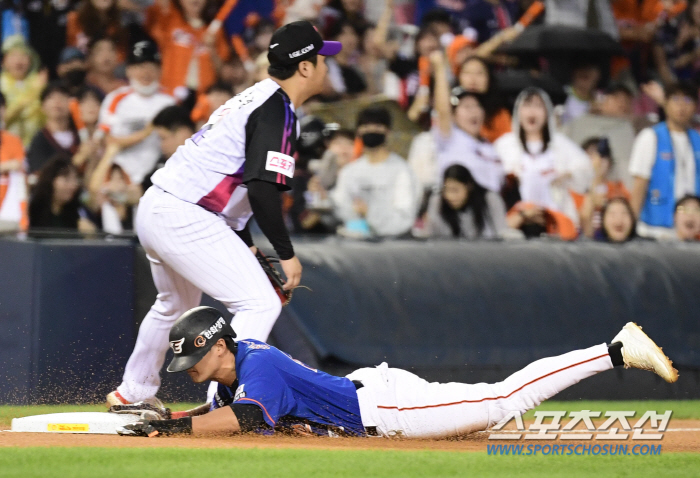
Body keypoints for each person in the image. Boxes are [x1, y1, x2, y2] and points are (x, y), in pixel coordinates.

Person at [105, 21, 342, 407]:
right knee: (259, 302)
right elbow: (262, 189)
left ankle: (133, 393)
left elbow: (236, 188)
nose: (327, 65)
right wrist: (286, 253)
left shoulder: (253, 98)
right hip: (186, 213)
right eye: (322, 58)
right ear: (304, 67)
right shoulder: (278, 109)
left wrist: (246, 245)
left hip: (161, 205)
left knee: (172, 305)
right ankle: (227, 402)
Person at [116, 305, 678, 438]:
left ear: (217, 347)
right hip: (372, 399)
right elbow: (219, 412)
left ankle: (614, 350)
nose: (188, 369)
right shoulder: (234, 370)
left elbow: (238, 419)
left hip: (387, 408)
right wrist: (170, 414)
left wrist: (168, 428)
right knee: (488, 427)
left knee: (504, 401)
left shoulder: (254, 363)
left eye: (193, 358)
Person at [495, 87, 593, 226]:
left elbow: (586, 169)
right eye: (527, 105)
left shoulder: (561, 144)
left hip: (554, 219)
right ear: (518, 111)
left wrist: (568, 175)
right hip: (516, 219)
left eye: (538, 106)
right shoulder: (504, 144)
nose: (532, 111)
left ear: (547, 112)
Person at [331, 106, 418, 238]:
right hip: (354, 246)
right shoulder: (349, 172)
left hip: (392, 246)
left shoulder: (401, 170)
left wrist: (369, 212)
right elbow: (341, 210)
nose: (371, 130)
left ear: (387, 131)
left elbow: (404, 220)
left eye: (377, 126)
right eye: (366, 126)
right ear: (358, 132)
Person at [98, 40, 175, 185]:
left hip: (158, 180)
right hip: (120, 179)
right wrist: (145, 133)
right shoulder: (115, 99)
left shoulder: (169, 102)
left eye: (151, 67)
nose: (146, 73)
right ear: (128, 70)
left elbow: (178, 142)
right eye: (140, 67)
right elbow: (106, 141)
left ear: (160, 70)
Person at [629, 82, 700, 238]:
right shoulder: (650, 137)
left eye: (687, 101)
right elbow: (639, 187)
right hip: (654, 231)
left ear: (695, 106)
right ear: (665, 104)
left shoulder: (697, 140)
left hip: (691, 233)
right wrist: (631, 229)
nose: (681, 106)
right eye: (676, 100)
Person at [431, 51, 505, 193]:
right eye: (467, 107)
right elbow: (442, 111)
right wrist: (440, 69)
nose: (474, 111)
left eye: (477, 106)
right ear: (454, 116)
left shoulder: (490, 148)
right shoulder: (450, 138)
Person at [145, 0, 231, 98]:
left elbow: (222, 71)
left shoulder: (215, 31)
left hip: (203, 95)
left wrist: (211, 49)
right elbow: (157, 11)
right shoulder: (170, 22)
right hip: (172, 92)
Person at [426, 164, 509, 239]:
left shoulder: (490, 198)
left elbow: (502, 232)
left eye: (455, 190)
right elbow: (429, 233)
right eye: (446, 190)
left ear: (469, 186)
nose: (450, 196)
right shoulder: (437, 200)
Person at [578, 137, 630, 238]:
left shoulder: (618, 189)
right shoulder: (574, 191)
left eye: (602, 156)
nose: (598, 160)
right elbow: (583, 220)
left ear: (609, 161)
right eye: (590, 155)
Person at [28, 154, 95, 232]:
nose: (72, 185)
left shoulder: (78, 212)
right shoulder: (33, 211)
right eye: (66, 179)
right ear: (51, 180)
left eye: (75, 179)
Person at [1, 35, 46, 147]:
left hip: (36, 145)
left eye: (23, 56)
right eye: (13, 56)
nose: (19, 61)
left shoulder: (37, 81)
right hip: (7, 147)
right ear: (3, 61)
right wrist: (34, 92)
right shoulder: (1, 84)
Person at [27, 83, 80, 175]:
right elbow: (42, 175)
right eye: (51, 98)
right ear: (42, 106)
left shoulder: (80, 136)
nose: (57, 102)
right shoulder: (39, 140)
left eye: (62, 97)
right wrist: (80, 158)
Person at [456, 56, 511, 143]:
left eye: (479, 73)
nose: (473, 78)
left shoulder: (499, 114)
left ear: (489, 78)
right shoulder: (449, 109)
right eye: (467, 73)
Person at [141, 105, 196, 192]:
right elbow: (145, 187)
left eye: (163, 138)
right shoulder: (165, 161)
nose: (162, 145)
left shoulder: (202, 162)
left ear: (183, 134)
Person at [0, 91, 28, 231]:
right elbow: (11, 165)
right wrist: (5, 166)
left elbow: (18, 167)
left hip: (8, 212)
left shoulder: (14, 141)